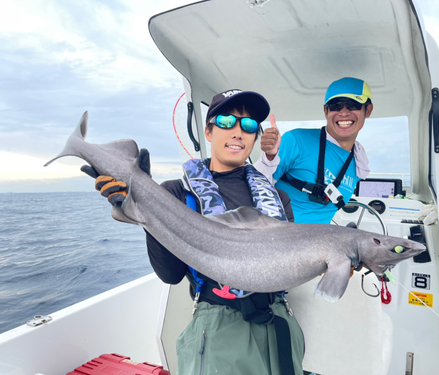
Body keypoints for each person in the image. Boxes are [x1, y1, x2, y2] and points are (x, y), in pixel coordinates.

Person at [83, 89, 305, 375]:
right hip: (219, 328)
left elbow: (291, 269)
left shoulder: (278, 198)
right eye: (227, 121)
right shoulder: (177, 193)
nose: (238, 132)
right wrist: (147, 207)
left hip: (279, 322)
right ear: (209, 131)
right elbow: (171, 274)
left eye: (249, 125)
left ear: (255, 137)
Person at [255, 77, 373, 224]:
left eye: (352, 105)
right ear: (326, 111)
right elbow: (254, 183)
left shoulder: (359, 163)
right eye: (336, 106)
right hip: (276, 235)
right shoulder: (296, 140)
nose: (343, 112)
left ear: (367, 110)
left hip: (320, 242)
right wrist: (269, 157)